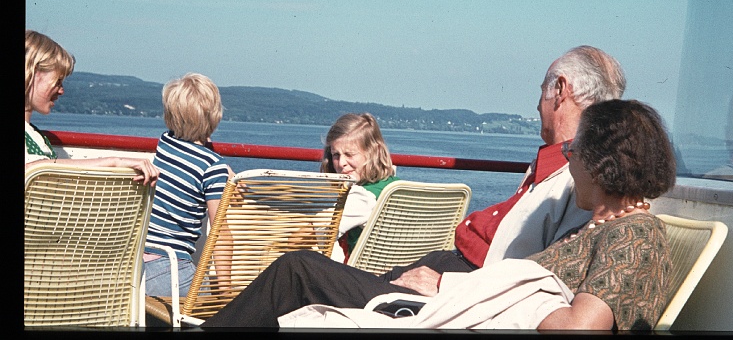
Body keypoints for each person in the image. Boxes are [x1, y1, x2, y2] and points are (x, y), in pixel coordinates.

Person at [201, 45, 626, 328]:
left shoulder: (576, 175)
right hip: (446, 276)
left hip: (455, 294)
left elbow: (531, 279)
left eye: (541, 91)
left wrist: (445, 285)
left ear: (560, 90)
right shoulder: (564, 170)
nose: (537, 104)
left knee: (296, 269)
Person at [278, 99, 677, 331]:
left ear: (601, 164)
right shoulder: (600, 227)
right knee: (301, 274)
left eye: (575, 154)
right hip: (457, 302)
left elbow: (581, 327)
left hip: (461, 313)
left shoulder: (634, 234)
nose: (569, 165)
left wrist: (454, 288)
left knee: (299, 268)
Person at [24, 29, 159, 186]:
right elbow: (30, 169)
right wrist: (113, 162)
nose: (61, 90)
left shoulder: (33, 135)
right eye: (57, 81)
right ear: (31, 74)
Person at [143, 73, 234, 297]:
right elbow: (220, 234)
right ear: (215, 116)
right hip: (171, 270)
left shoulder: (165, 141)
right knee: (210, 300)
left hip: (136, 265)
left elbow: (195, 148)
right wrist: (224, 293)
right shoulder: (212, 167)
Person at [320, 113, 398, 263]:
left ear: (372, 153)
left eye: (349, 154)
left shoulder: (362, 197)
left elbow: (311, 234)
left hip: (361, 279)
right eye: (336, 155)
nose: (341, 162)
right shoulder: (395, 187)